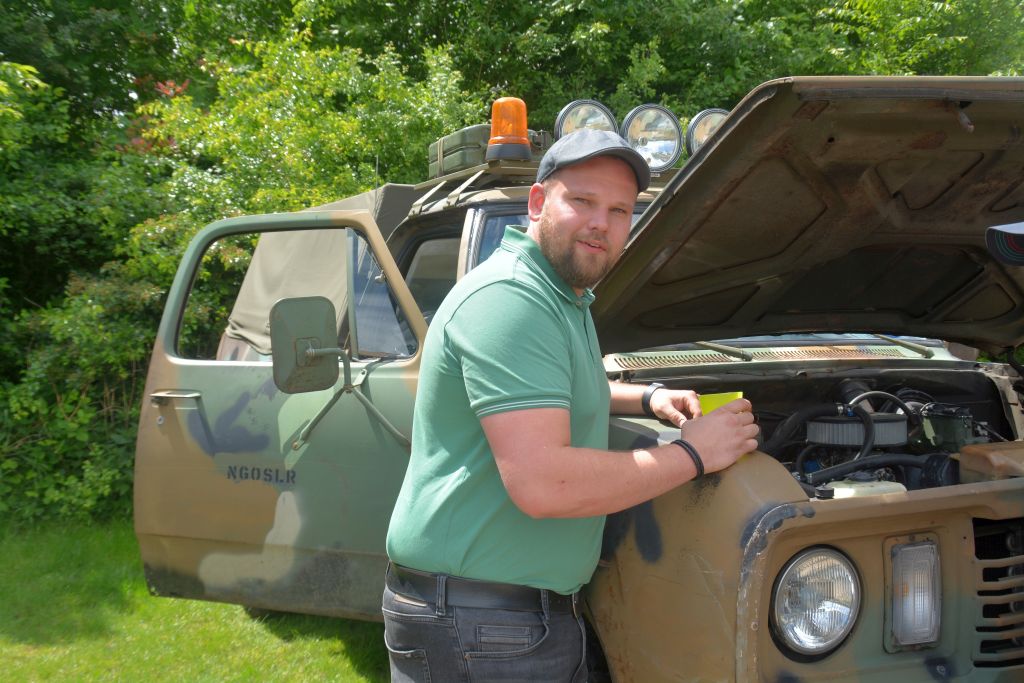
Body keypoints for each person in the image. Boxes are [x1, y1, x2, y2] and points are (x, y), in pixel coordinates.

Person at [383, 128, 759, 682]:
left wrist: (650, 396)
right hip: (479, 625)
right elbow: (544, 483)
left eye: (619, 210)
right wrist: (693, 455)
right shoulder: (512, 300)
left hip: (506, 617)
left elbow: (553, 391)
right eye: (582, 201)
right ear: (538, 202)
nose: (600, 223)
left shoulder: (563, 296)